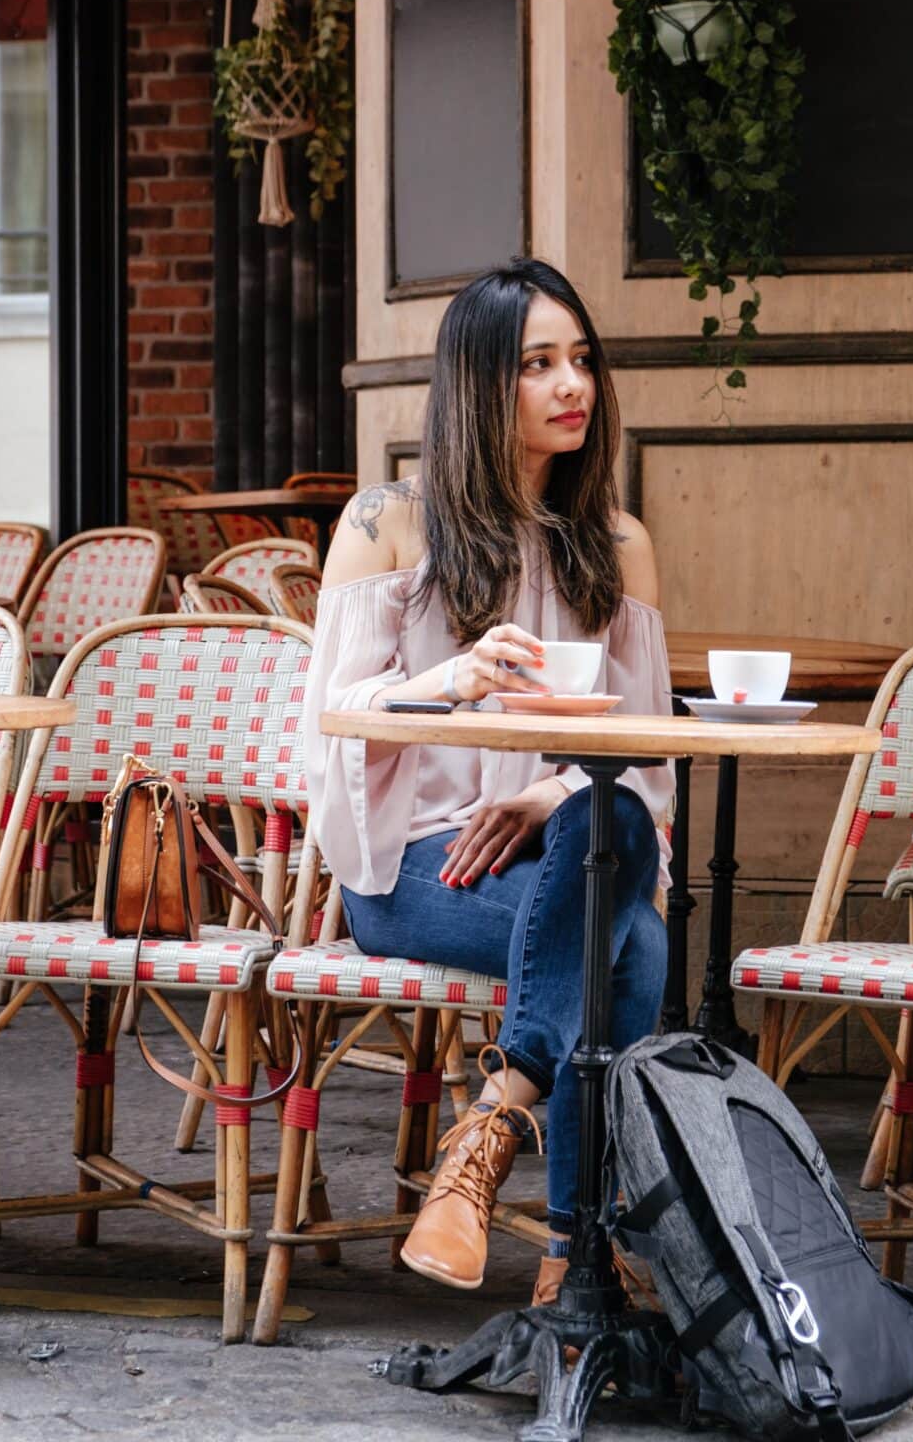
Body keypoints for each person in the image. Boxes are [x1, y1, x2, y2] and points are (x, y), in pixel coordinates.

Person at [298, 257, 671, 1299]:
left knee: (609, 826)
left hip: (560, 855)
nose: (574, 386)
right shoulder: (387, 524)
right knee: (634, 940)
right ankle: (576, 1252)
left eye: (582, 360)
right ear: (477, 383)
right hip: (414, 864)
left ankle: (493, 1124)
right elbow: (330, 723)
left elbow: (647, 753)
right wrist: (447, 680)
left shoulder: (618, 543)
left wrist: (551, 796)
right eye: (540, 363)